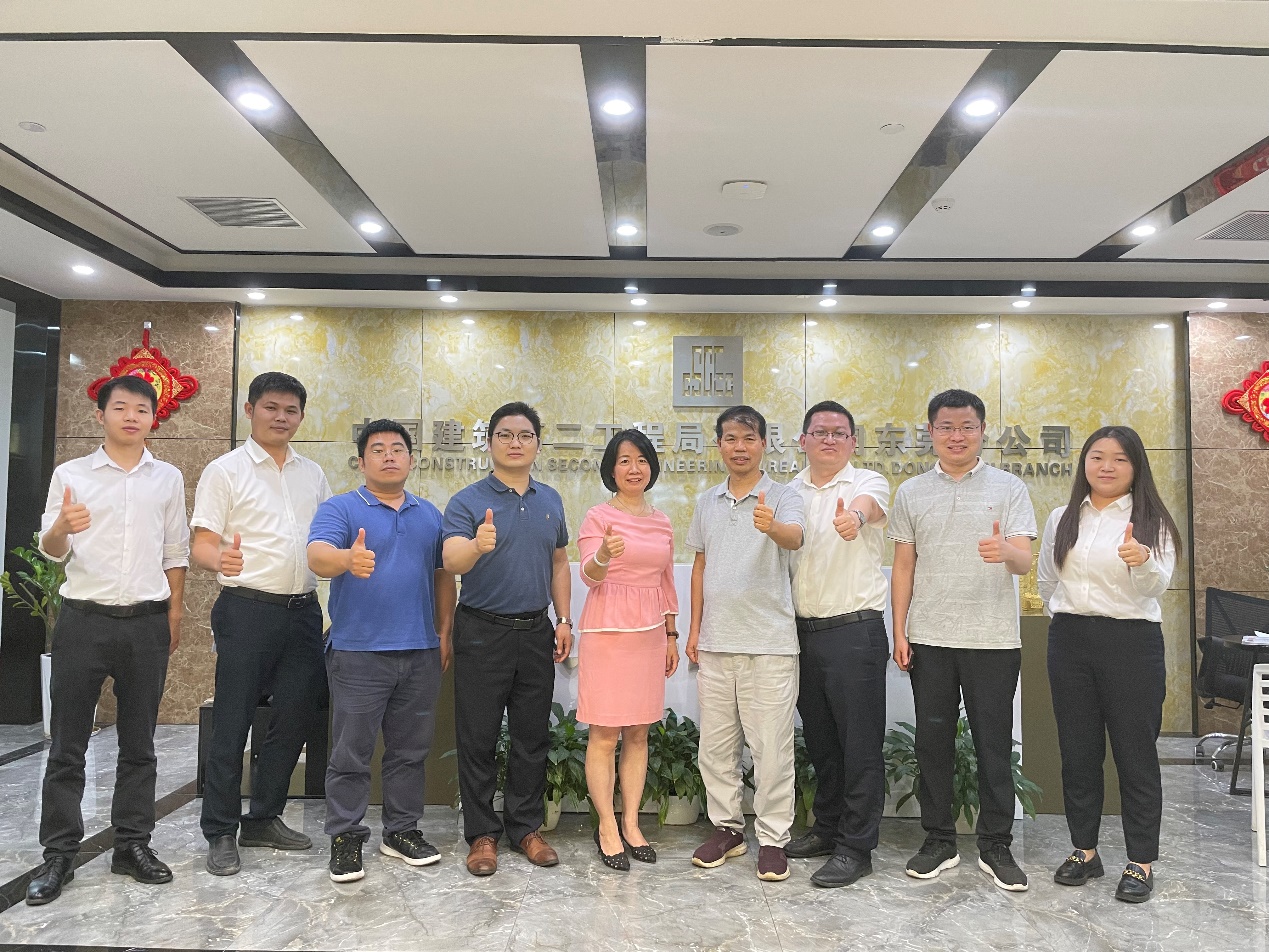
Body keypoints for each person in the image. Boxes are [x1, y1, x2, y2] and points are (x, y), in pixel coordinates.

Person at [27, 376, 188, 905]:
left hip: (146, 622)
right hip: (84, 621)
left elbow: (175, 552)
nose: (131, 416)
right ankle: (59, 854)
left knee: (140, 743)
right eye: (120, 407)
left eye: (141, 408)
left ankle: (132, 845)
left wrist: (174, 613)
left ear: (152, 418)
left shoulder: (167, 478)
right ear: (101, 415)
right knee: (67, 744)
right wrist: (62, 527)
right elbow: (52, 549)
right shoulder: (71, 474)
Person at [889, 388, 1037, 892]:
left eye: (967, 426)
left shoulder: (1009, 487)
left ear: (983, 431)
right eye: (947, 427)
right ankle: (939, 840)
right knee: (933, 744)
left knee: (993, 743)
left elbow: (1025, 560)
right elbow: (903, 566)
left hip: (993, 640)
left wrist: (1006, 553)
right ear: (931, 432)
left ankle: (996, 845)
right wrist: (899, 629)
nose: (957, 436)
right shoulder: (911, 492)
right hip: (929, 637)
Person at [192, 372, 331, 876]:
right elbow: (202, 542)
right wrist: (219, 560)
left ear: (301, 417)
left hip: (303, 612)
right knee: (233, 721)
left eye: (291, 410)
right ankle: (220, 830)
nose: (281, 417)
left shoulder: (313, 474)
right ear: (250, 410)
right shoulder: (225, 470)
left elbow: (326, 538)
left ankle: (264, 818)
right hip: (246, 609)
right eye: (271, 407)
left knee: (295, 717)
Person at [307, 419, 457, 883]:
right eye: (378, 449)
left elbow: (443, 576)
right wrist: (346, 559)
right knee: (351, 752)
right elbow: (317, 555)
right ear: (361, 461)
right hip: (358, 653)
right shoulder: (341, 508)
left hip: (420, 651)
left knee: (409, 751)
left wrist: (444, 632)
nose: (389, 455)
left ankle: (401, 831)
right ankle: (345, 835)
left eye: (397, 448)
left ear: (411, 459)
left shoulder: (429, 514)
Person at [1037, 426, 1179, 904]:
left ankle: (1141, 861)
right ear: (1085, 463)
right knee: (1078, 751)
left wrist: (1142, 560)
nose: (1106, 466)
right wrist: (1067, 619)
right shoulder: (1062, 518)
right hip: (1070, 640)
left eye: (1119, 458)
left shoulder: (1151, 520)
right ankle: (1085, 851)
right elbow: (1047, 581)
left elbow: (1156, 588)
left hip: (1131, 643)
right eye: (1097, 456)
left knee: (1135, 754)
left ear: (1135, 467)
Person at [442, 401, 573, 876]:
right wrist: (477, 545)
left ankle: (525, 828)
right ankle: (482, 835)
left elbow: (559, 562)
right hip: (482, 630)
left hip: (536, 630)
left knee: (531, 736)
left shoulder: (550, 499)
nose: (515, 443)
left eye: (525, 435)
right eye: (505, 434)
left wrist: (564, 619)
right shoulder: (468, 500)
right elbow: (450, 560)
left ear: (537, 443)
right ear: (489, 442)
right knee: (477, 736)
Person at [686, 405, 805, 882]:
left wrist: (771, 525)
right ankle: (728, 829)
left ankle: (773, 839)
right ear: (719, 444)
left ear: (763, 444)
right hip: (716, 643)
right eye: (731, 438)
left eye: (749, 438)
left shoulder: (784, 495)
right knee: (715, 748)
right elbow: (700, 566)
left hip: (770, 644)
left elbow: (795, 537)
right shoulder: (707, 502)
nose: (740, 447)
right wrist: (695, 630)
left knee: (771, 750)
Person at [786, 401, 892, 888]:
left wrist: (855, 518)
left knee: (860, 745)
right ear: (803, 440)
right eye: (820, 432)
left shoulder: (867, 482)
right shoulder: (788, 492)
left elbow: (870, 508)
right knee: (822, 742)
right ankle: (827, 829)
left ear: (852, 442)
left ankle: (857, 847)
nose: (829, 439)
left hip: (855, 631)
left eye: (839, 433)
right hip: (802, 633)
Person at [576, 429, 680, 872]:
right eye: (624, 461)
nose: (634, 468)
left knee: (639, 732)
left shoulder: (662, 521)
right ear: (611, 470)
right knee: (604, 734)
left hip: (649, 635)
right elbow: (588, 575)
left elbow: (666, 581)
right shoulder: (598, 517)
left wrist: (672, 635)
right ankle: (606, 826)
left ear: (651, 467)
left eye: (641, 460)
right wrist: (603, 553)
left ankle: (632, 823)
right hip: (607, 634)